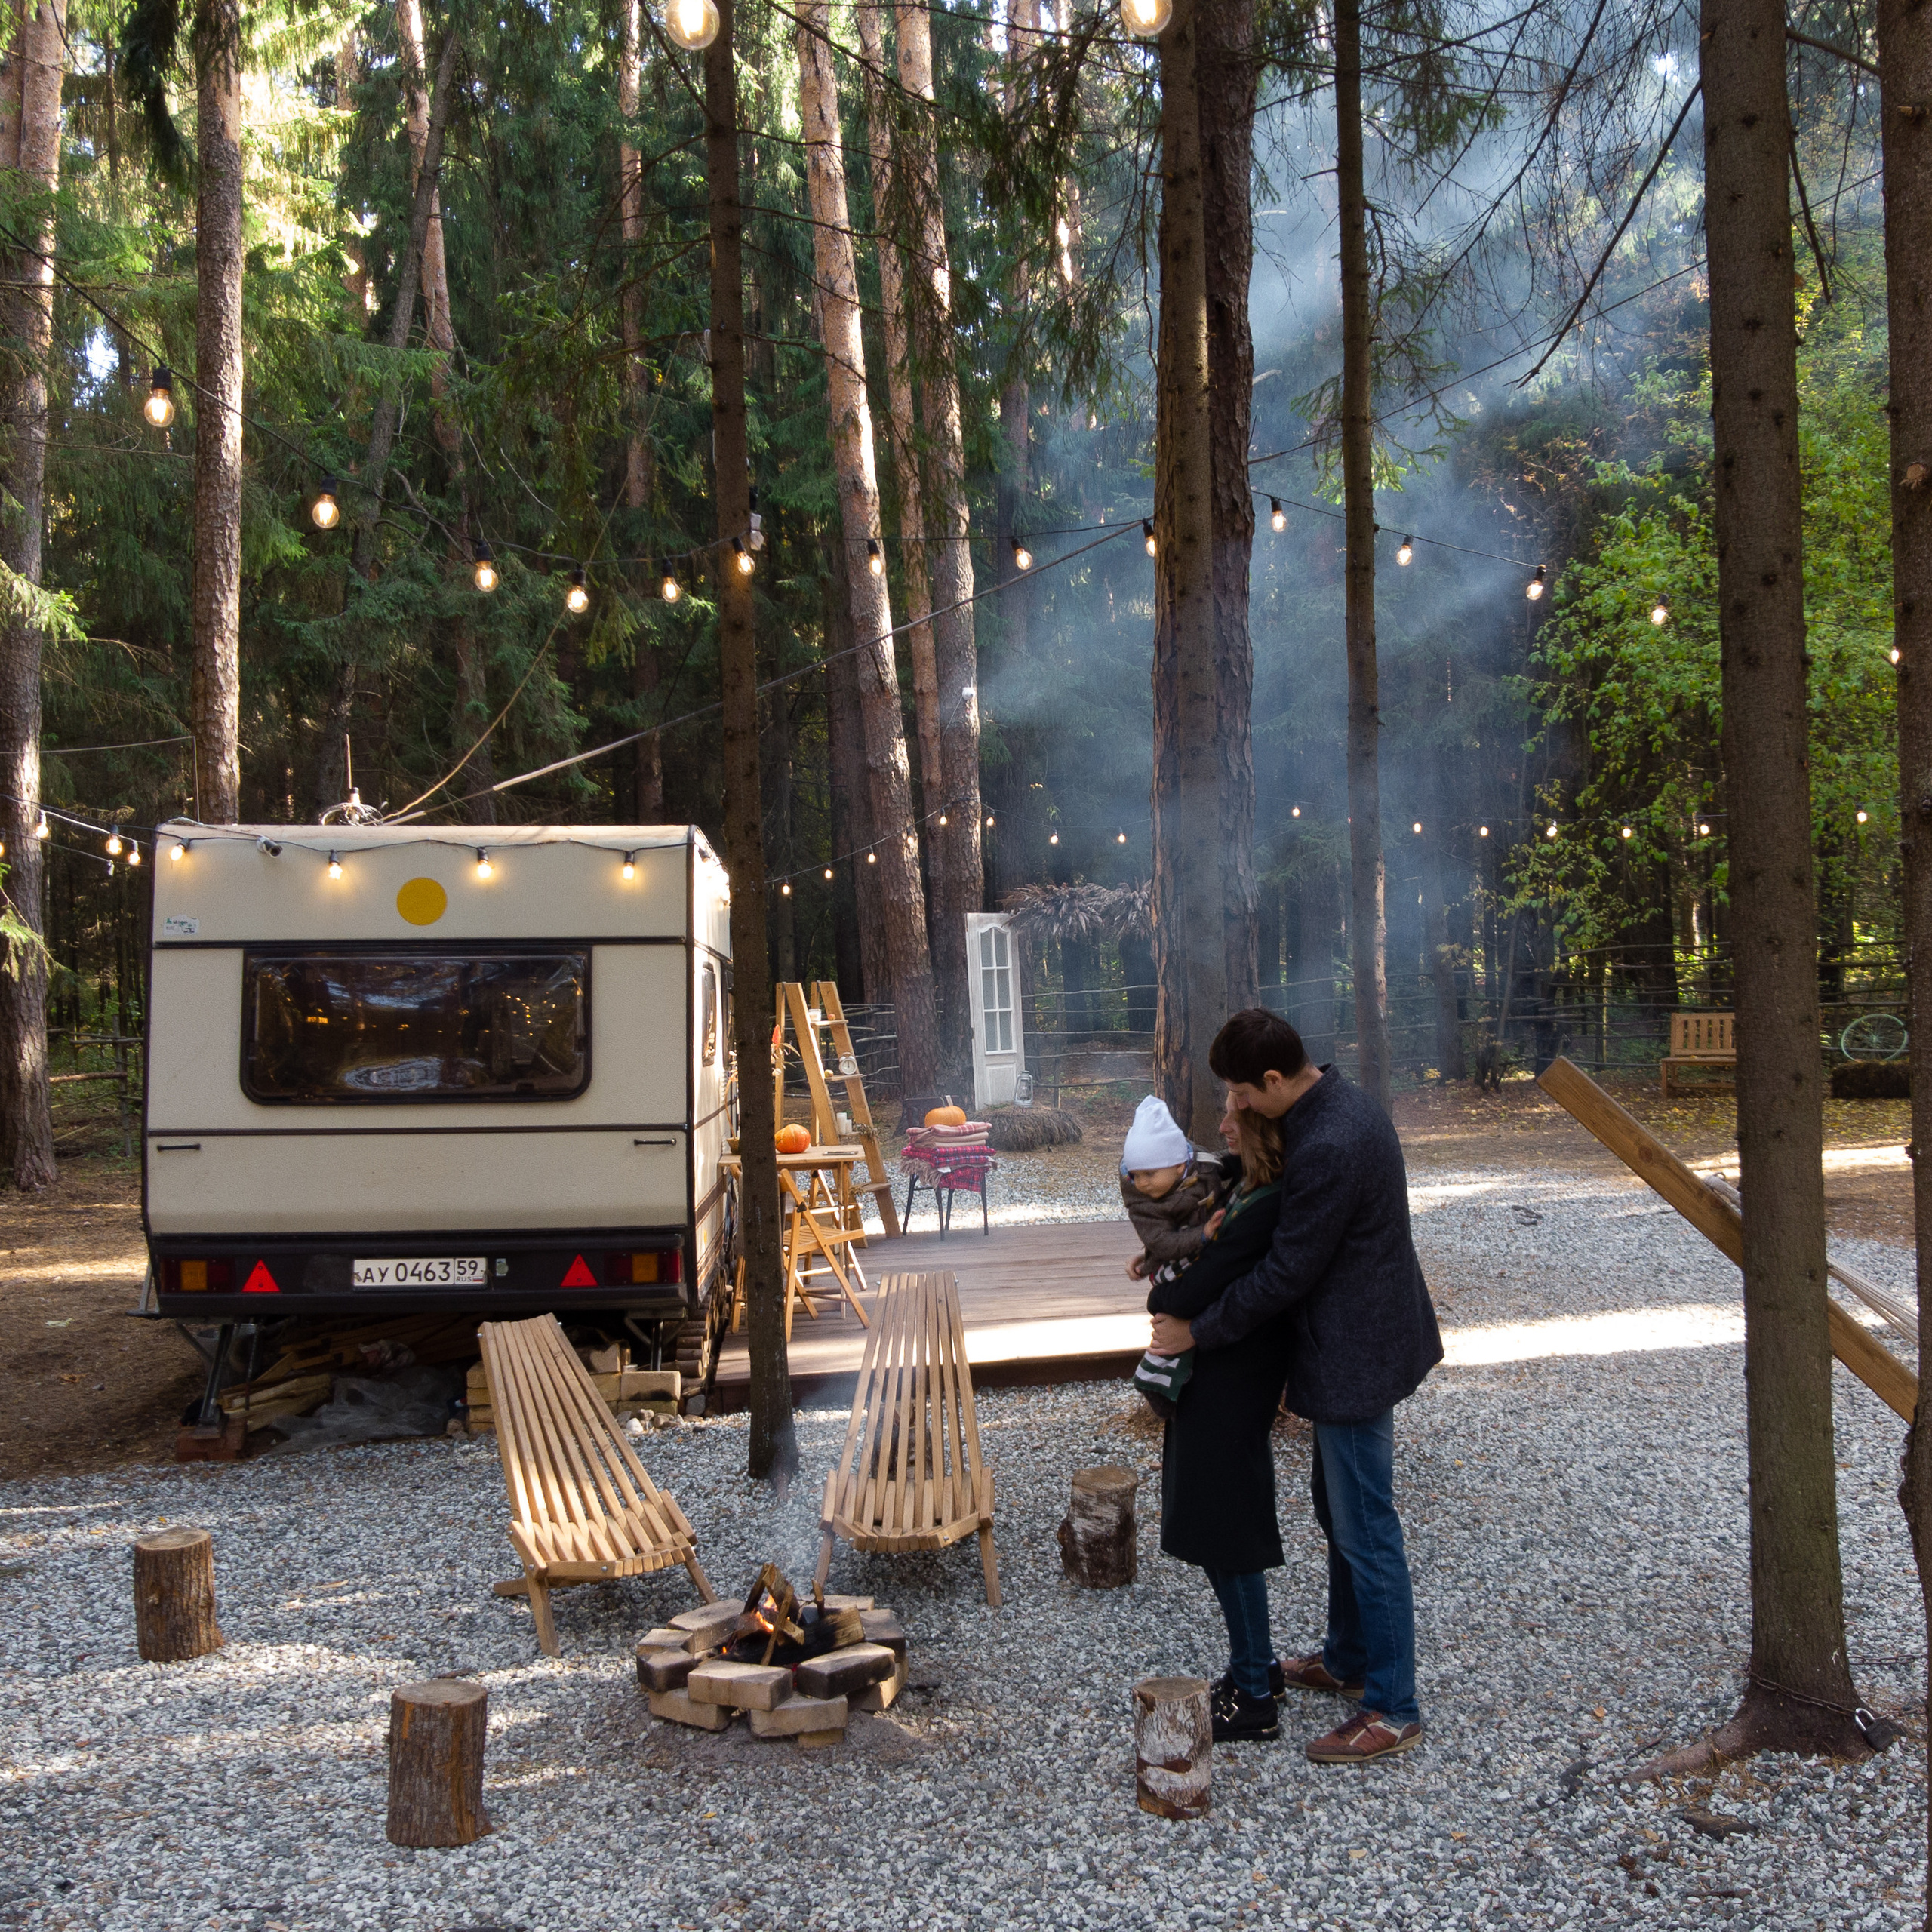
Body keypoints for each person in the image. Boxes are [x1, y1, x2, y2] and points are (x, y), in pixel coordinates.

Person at [1150, 1008, 1442, 1765]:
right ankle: (1345, 1659)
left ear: (1275, 1080)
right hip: (1350, 1344)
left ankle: (1392, 1704)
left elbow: (1286, 1270)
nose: (1237, 1108)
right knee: (1335, 1511)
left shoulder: (1333, 1142)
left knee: (1365, 1529)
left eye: (1243, 1094)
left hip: (1354, 1355)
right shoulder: (1335, 1106)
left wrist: (1196, 1330)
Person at [1148, 1103, 1295, 1742]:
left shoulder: (1261, 1208)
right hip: (1217, 1380)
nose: (1224, 1125)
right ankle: (1254, 1664)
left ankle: (1255, 1696)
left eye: (1236, 1115)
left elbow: (1177, 1295)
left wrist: (1165, 1298)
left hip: (1233, 1385)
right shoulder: (1244, 1187)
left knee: (1230, 1538)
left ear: (1265, 1127)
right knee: (1216, 1528)